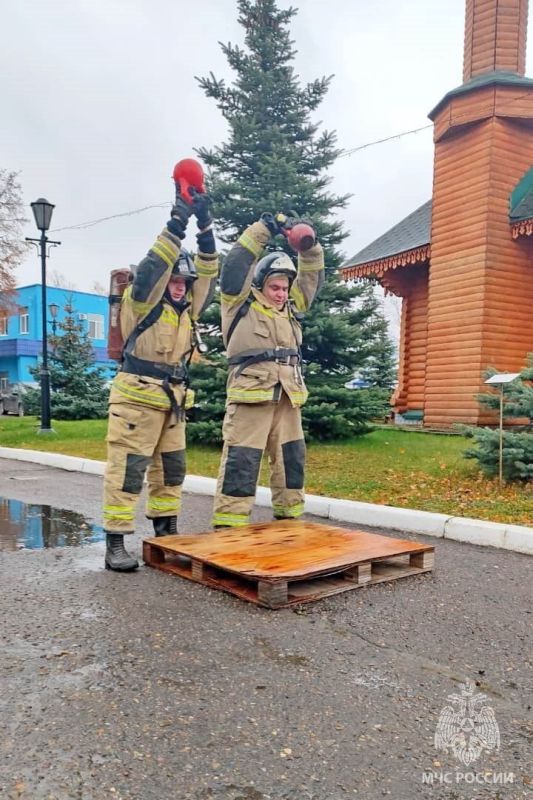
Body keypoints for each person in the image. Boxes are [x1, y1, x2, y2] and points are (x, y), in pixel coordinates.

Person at [103, 190, 218, 571]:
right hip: (136, 400)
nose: (181, 286)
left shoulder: (188, 309)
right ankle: (116, 543)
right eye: (175, 281)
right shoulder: (142, 303)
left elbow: (209, 270)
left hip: (172, 403)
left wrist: (205, 227)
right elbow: (154, 265)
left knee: (171, 472)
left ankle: (166, 532)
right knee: (127, 471)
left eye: (184, 282)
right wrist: (177, 221)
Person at [212, 212, 324, 529]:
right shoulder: (238, 303)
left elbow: (312, 278)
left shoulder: (291, 308)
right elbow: (236, 264)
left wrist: (310, 247)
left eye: (284, 287)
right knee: (241, 464)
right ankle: (228, 528)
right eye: (275, 287)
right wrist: (264, 229)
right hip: (250, 399)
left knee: (291, 463)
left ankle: (290, 524)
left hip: (288, 399)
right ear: (261, 285)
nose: (281, 293)